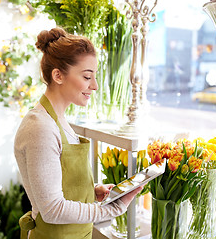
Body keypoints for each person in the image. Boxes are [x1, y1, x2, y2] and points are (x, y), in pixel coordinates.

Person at [14, 27, 143, 239]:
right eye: (86, 77)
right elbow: (52, 208)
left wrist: (90, 191)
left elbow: (56, 179)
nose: (95, 85)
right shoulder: (40, 127)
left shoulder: (58, 120)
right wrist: (111, 210)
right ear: (58, 75)